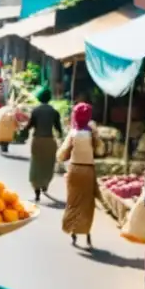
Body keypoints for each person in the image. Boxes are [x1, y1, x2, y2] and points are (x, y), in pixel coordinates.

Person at [57, 102, 100, 248]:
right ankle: (87, 234)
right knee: (87, 204)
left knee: (73, 202)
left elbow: (62, 154)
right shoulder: (93, 132)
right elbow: (100, 150)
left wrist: (61, 158)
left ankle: (73, 231)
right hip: (88, 170)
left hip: (74, 170)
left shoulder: (73, 133)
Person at [21, 87, 63, 202]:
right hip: (50, 141)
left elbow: (29, 126)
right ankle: (45, 185)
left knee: (36, 165)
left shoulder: (36, 111)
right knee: (47, 165)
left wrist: (21, 130)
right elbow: (59, 129)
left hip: (37, 140)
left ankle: (37, 193)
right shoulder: (54, 112)